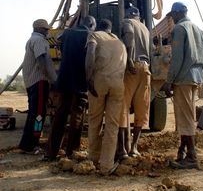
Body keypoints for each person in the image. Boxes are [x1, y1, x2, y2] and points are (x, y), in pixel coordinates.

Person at [44, 15, 96, 160]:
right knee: (77, 116)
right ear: (91, 24)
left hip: (64, 80)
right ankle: (72, 151)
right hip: (80, 80)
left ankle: (50, 152)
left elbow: (59, 42)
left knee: (60, 115)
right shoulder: (90, 35)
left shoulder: (67, 33)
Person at [162, 2, 203, 169]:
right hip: (195, 77)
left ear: (177, 13)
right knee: (186, 115)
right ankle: (183, 151)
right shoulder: (198, 30)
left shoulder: (179, 29)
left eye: (172, 15)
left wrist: (169, 80)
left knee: (185, 118)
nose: (172, 18)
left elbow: (177, 59)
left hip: (182, 79)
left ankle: (192, 157)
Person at [85, 19, 127, 175]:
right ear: (110, 29)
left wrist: (89, 78)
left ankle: (93, 158)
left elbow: (90, 54)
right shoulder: (120, 43)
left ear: (100, 28)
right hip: (118, 85)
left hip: (99, 82)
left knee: (94, 120)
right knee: (112, 125)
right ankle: (107, 165)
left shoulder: (95, 36)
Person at [19, 19, 57, 154]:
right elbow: (42, 61)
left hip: (32, 82)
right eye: (46, 29)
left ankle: (26, 144)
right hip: (39, 81)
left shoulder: (32, 40)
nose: (48, 32)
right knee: (39, 115)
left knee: (33, 113)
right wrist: (53, 79)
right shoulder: (40, 41)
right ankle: (32, 144)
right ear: (40, 29)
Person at [117, 6, 151, 159]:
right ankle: (134, 147)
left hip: (132, 67)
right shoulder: (145, 28)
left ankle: (123, 149)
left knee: (122, 106)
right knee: (141, 107)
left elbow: (129, 35)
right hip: (146, 68)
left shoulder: (127, 22)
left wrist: (129, 58)